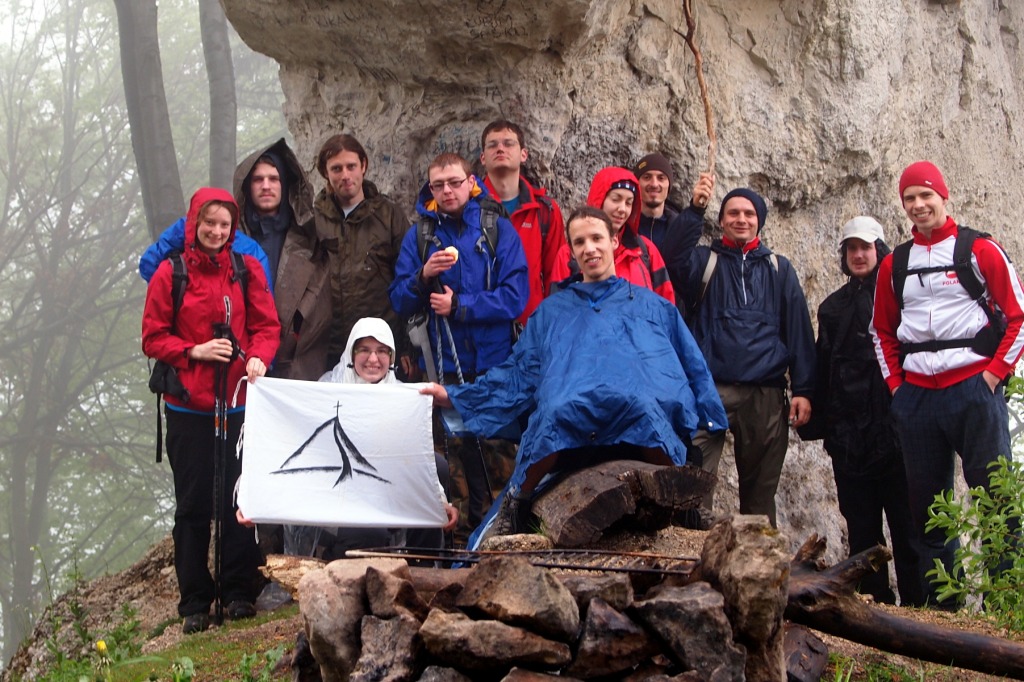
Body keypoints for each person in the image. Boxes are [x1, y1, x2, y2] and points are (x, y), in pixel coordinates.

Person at [421, 206, 726, 545]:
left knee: (646, 409)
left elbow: (688, 361)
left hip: (638, 419)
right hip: (568, 426)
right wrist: (454, 396)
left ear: (614, 241)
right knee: (555, 412)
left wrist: (711, 414)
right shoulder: (552, 311)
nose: (589, 248)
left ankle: (684, 503)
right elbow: (519, 372)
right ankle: (517, 503)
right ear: (571, 250)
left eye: (596, 238)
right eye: (580, 242)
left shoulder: (653, 306)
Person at [871, 160, 1024, 607]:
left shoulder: (980, 250)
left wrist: (993, 376)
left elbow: (1018, 317)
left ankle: (1006, 604)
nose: (918, 205)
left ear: (944, 195)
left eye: (926, 195)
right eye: (910, 198)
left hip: (974, 390)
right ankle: (945, 612)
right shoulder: (895, 263)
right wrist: (897, 387)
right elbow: (881, 331)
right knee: (930, 510)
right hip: (917, 398)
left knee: (996, 502)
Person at [142, 187, 280, 634]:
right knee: (193, 505)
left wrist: (258, 357)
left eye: (224, 225)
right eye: (209, 223)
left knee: (239, 500)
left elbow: (267, 326)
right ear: (193, 224)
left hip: (238, 403)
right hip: (189, 406)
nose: (217, 232)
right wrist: (194, 350)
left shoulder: (246, 268)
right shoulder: (171, 272)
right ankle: (195, 601)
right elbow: (152, 337)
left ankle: (239, 591)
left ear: (233, 228)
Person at [389, 152, 529, 537]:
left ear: (471, 182)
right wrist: (422, 276)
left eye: (454, 182)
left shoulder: (497, 229)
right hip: (443, 371)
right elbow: (399, 300)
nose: (447, 191)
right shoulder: (420, 236)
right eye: (438, 185)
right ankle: (456, 554)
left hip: (495, 370)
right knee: (455, 473)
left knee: (500, 466)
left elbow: (516, 297)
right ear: (430, 189)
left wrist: (461, 306)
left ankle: (503, 544)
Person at [663, 174, 815, 528]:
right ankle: (693, 552)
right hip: (711, 389)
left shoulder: (779, 269)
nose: (741, 219)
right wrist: (694, 210)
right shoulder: (705, 262)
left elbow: (799, 332)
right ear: (721, 221)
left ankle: (759, 560)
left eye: (749, 213)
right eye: (733, 213)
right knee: (694, 485)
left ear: (759, 220)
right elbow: (670, 258)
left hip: (765, 393)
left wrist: (804, 389)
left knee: (760, 497)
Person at [799, 217, 923, 606]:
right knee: (862, 529)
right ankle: (874, 603)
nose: (858, 255)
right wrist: (815, 414)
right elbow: (823, 367)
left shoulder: (904, 299)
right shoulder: (831, 308)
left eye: (865, 247)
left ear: (880, 251)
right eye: (851, 248)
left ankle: (918, 604)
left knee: (908, 526)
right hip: (849, 438)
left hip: (896, 434)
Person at [139, 138, 332, 382]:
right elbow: (152, 268)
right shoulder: (215, 230)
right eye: (258, 179)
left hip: (289, 364)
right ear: (246, 185)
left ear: (286, 184)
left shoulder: (310, 237)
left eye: (274, 179)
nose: (266, 186)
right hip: (224, 367)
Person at [278, 317, 458, 559]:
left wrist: (439, 503)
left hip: (385, 490)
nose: (373, 359)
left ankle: (422, 564)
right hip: (340, 495)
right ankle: (339, 559)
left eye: (382, 351)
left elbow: (418, 457)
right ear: (351, 353)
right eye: (364, 350)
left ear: (391, 357)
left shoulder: (401, 395)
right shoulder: (328, 388)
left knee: (438, 465)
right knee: (370, 534)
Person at [313, 134, 411, 374]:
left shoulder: (389, 216)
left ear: (363, 166)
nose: (345, 175)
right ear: (326, 173)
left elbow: (408, 281)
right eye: (336, 169)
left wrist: (407, 345)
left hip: (380, 346)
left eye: (351, 166)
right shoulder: (313, 221)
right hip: (327, 346)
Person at [479, 119, 566, 321]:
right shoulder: (470, 207)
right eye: (492, 145)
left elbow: (556, 275)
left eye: (508, 143)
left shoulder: (545, 210)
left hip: (531, 324)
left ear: (523, 155)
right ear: (483, 158)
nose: (500, 149)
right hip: (482, 324)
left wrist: (551, 322)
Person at [549, 166, 676, 304]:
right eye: (616, 199)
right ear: (599, 199)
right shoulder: (570, 255)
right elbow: (557, 308)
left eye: (629, 203)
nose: (622, 209)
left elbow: (666, 306)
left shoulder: (645, 251)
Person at [634, 152, 683, 253]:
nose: (654, 184)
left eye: (661, 178)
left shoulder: (680, 229)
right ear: (637, 183)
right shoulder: (624, 225)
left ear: (669, 185)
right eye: (647, 177)